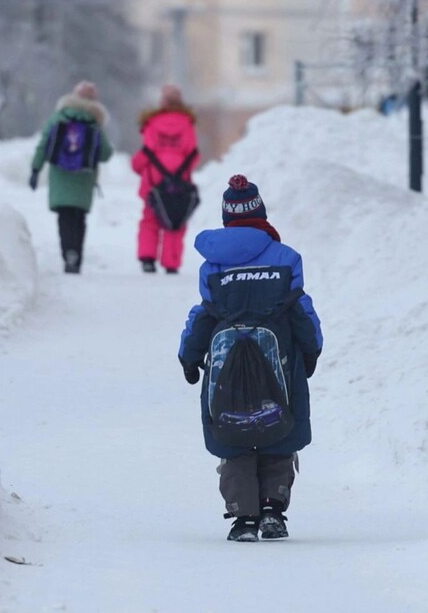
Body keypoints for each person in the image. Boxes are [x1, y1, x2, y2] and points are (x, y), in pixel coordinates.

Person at [177, 175, 323, 542]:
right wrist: (311, 350)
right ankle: (273, 510)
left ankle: (243, 519)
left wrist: (189, 356)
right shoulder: (285, 258)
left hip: (227, 368)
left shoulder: (213, 264)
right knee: (279, 432)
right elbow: (301, 311)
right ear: (260, 211)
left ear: (227, 216)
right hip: (281, 362)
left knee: (234, 434)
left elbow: (204, 315)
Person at [29, 81, 115, 274]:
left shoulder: (58, 118)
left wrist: (35, 169)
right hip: (84, 178)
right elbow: (106, 154)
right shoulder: (94, 123)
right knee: (79, 218)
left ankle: (67, 253)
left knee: (64, 217)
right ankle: (76, 256)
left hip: (60, 176)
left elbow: (43, 145)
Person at [132, 84, 200, 275]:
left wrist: (137, 166)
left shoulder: (152, 123)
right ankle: (171, 263)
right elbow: (193, 154)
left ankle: (148, 259)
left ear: (162, 101)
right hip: (180, 183)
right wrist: (181, 172)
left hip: (153, 181)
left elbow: (146, 152)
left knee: (150, 219)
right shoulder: (187, 124)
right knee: (175, 220)